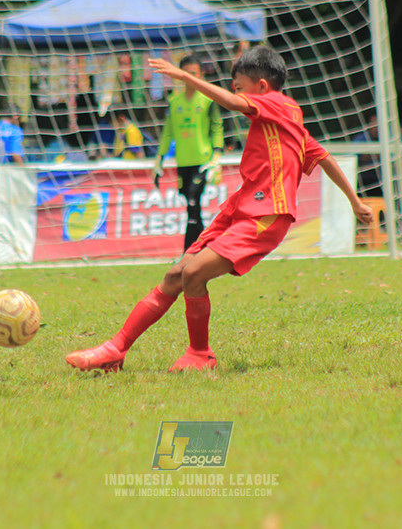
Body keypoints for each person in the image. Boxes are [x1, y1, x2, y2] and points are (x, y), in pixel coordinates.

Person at [65, 46, 374, 372]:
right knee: (175, 275)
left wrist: (186, 77)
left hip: (266, 216)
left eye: (239, 85)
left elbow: (232, 103)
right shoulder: (288, 121)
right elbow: (324, 157)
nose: (236, 93)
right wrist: (355, 201)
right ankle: (115, 349)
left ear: (262, 88)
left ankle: (200, 355)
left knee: (193, 274)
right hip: (239, 209)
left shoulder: (277, 104)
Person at [152, 53, 224, 250]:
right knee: (191, 207)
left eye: (193, 73)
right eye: (185, 73)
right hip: (183, 162)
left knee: (193, 202)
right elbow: (168, 131)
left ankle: (189, 253)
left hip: (203, 161)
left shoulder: (208, 100)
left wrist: (216, 155)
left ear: (201, 75)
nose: (189, 77)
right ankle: (201, 250)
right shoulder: (175, 101)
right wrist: (159, 159)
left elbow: (217, 127)